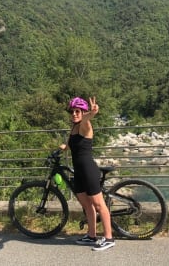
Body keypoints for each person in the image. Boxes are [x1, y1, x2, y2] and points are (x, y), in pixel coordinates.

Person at [60, 96, 115, 251]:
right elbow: (72, 144)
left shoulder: (85, 124)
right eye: (72, 111)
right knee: (86, 205)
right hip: (78, 171)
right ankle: (91, 235)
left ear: (83, 112)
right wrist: (63, 147)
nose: (74, 114)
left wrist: (93, 112)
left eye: (78, 111)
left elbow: (87, 118)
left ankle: (109, 238)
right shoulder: (73, 127)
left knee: (99, 205)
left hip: (88, 170)